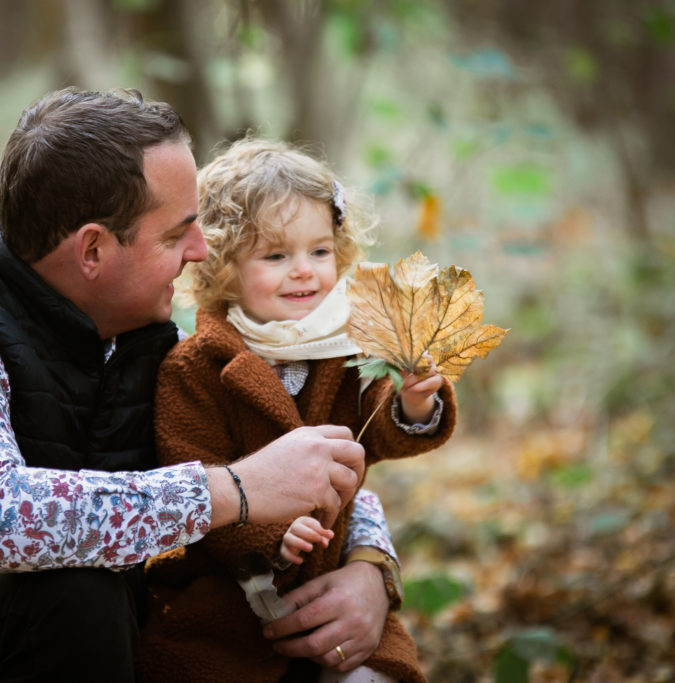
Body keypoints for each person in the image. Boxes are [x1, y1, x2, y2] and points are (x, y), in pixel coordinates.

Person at [0, 89, 397, 682]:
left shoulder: (140, 336)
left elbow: (275, 455)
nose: (200, 249)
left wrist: (371, 566)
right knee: (75, 590)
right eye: (175, 232)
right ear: (93, 250)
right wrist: (231, 490)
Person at [136, 138, 458, 682]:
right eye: (276, 255)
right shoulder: (194, 367)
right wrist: (265, 537)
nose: (304, 271)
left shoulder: (347, 341)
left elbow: (376, 428)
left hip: (332, 569)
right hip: (227, 601)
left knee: (371, 673)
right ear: (223, 265)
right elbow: (189, 470)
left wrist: (412, 399)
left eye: (319, 251)